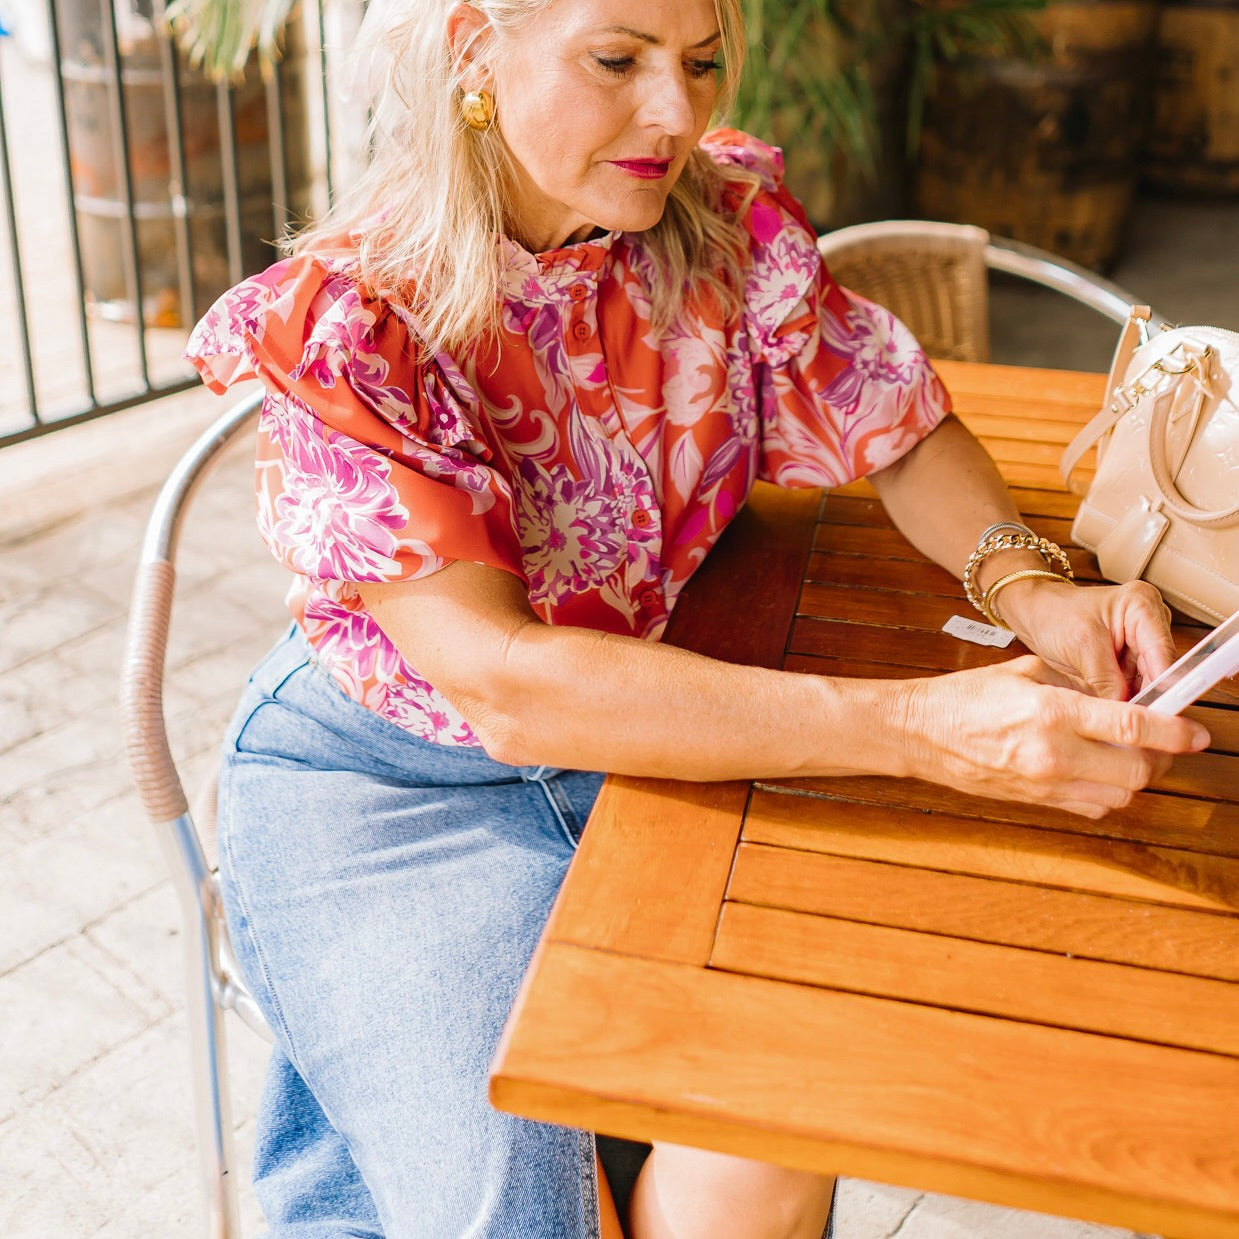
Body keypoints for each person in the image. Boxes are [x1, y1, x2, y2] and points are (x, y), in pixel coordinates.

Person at [184, 0, 1209, 1235]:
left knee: (774, 1110)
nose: (675, 114)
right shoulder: (350, 327)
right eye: (617, 60)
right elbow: (508, 687)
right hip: (401, 783)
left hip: (652, 727)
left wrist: (1033, 588)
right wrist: (928, 728)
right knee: (522, 1208)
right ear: (471, 50)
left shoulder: (721, 224)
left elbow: (892, 416)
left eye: (703, 62)